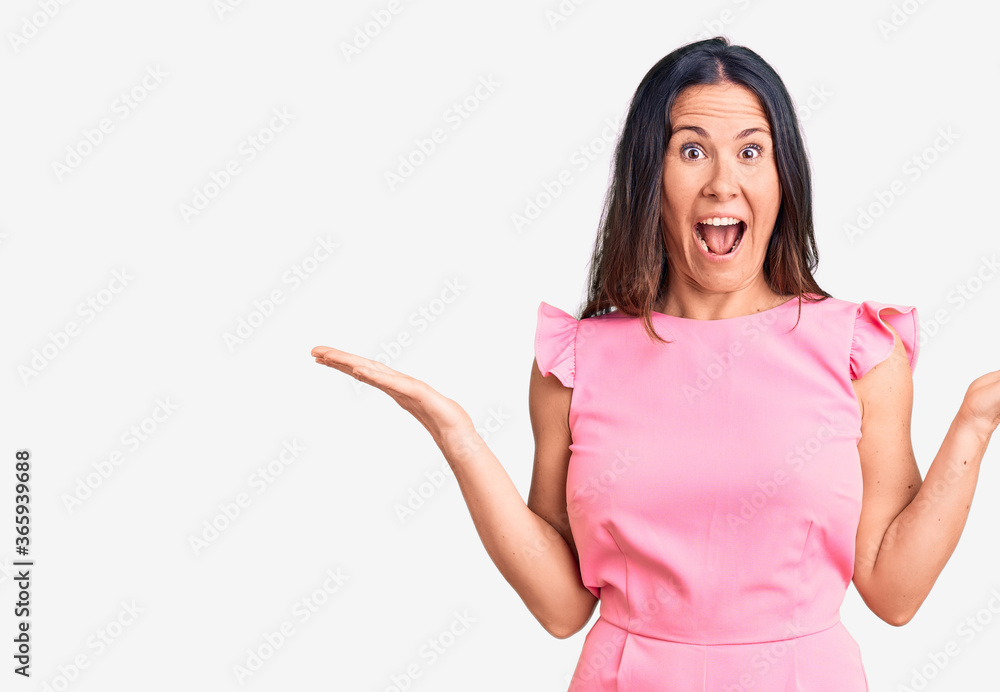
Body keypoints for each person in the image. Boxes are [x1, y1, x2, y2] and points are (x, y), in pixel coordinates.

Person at [310, 36, 999, 690]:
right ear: (650, 174)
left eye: (752, 152)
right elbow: (560, 607)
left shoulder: (858, 352)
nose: (723, 182)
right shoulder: (576, 361)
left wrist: (975, 418)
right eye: (691, 150)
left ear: (784, 177)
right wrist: (455, 434)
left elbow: (894, 591)